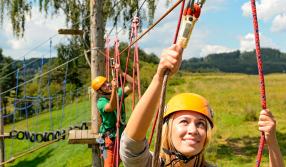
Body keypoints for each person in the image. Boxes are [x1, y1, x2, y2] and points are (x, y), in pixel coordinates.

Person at [119, 44, 285, 167]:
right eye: (184, 121)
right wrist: (159, 77)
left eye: (201, 124)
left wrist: (272, 142)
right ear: (168, 129)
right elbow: (131, 144)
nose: (193, 130)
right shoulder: (152, 164)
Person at [92, 65, 134, 167]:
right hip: (109, 140)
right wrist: (114, 89)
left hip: (121, 135)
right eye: (104, 85)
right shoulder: (101, 102)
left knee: (120, 161)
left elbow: (134, 85)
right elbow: (111, 107)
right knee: (109, 165)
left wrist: (121, 73)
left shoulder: (118, 93)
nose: (108, 84)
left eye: (107, 82)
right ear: (100, 91)